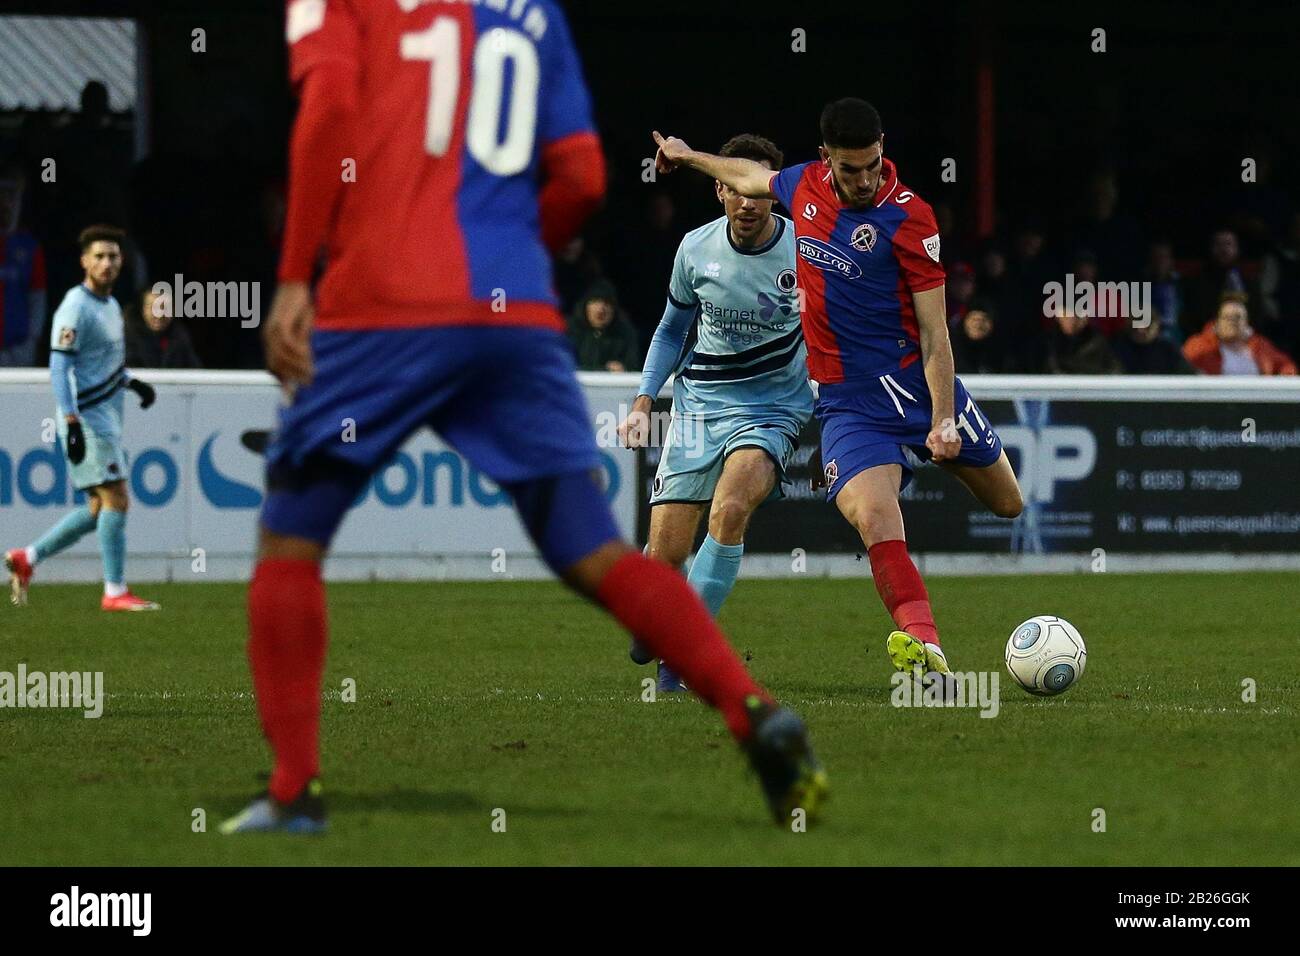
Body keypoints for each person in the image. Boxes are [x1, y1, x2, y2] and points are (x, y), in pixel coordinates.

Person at [220, 0, 825, 835]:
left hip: (380, 306)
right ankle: (751, 712)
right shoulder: (534, 17)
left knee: (290, 536)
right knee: (595, 551)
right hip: (515, 313)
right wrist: (503, 265)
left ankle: (293, 792)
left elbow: (325, 110)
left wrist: (293, 277)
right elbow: (581, 179)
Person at [652, 97, 1024, 681]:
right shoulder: (803, 186)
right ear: (827, 160)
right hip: (850, 402)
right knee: (875, 517)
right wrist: (687, 155)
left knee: (1009, 504)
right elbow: (748, 175)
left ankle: (935, 450)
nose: (864, 179)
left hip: (917, 386)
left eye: (872, 164)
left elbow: (934, 334)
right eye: (850, 169)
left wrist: (944, 418)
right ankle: (925, 646)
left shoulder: (911, 217)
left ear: (883, 151)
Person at [616, 133, 813, 693]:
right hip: (700, 406)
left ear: (773, 193)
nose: (748, 202)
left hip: (774, 410)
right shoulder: (695, 249)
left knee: (729, 510)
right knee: (666, 554)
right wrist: (642, 400)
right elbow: (672, 329)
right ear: (720, 190)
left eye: (760, 190)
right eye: (736, 189)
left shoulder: (807, 253)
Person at [5, 225, 159, 611]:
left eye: (113, 256)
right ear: (84, 262)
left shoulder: (109, 307)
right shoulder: (74, 306)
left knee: (97, 509)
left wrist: (133, 383)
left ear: (122, 261)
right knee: (118, 498)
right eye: (100, 256)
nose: (107, 263)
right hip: (87, 419)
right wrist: (71, 421)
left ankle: (28, 558)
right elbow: (60, 369)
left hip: (107, 417)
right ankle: (115, 590)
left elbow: (103, 364)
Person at [1182, 293, 1297, 376]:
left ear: (1246, 322)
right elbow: (1182, 368)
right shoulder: (1199, 345)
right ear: (1217, 322)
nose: (1232, 322)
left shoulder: (1260, 345)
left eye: (1238, 317)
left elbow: (1286, 366)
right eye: (1227, 318)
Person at [0, 169, 48, 367]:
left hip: (17, 353)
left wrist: (31, 343)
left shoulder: (29, 248)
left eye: (10, 196)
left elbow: (37, 300)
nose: (4, 203)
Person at [566, 278, 640, 371]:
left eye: (607, 303)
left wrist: (624, 368)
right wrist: (605, 369)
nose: (601, 309)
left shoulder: (625, 334)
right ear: (585, 306)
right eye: (595, 302)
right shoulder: (569, 332)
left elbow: (634, 368)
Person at [125, 285, 203, 368]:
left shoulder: (180, 335)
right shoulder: (127, 337)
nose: (159, 314)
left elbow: (195, 370)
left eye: (164, 307)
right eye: (152, 307)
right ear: (142, 310)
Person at [1112, 310, 1197, 374]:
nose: (1141, 330)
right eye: (1135, 325)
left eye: (1147, 325)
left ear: (1157, 326)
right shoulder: (1119, 349)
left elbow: (1187, 374)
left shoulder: (1168, 348)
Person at [1042, 308, 1123, 374]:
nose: (1067, 320)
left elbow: (1114, 371)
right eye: (1063, 316)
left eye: (1070, 316)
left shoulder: (1096, 342)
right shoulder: (1049, 342)